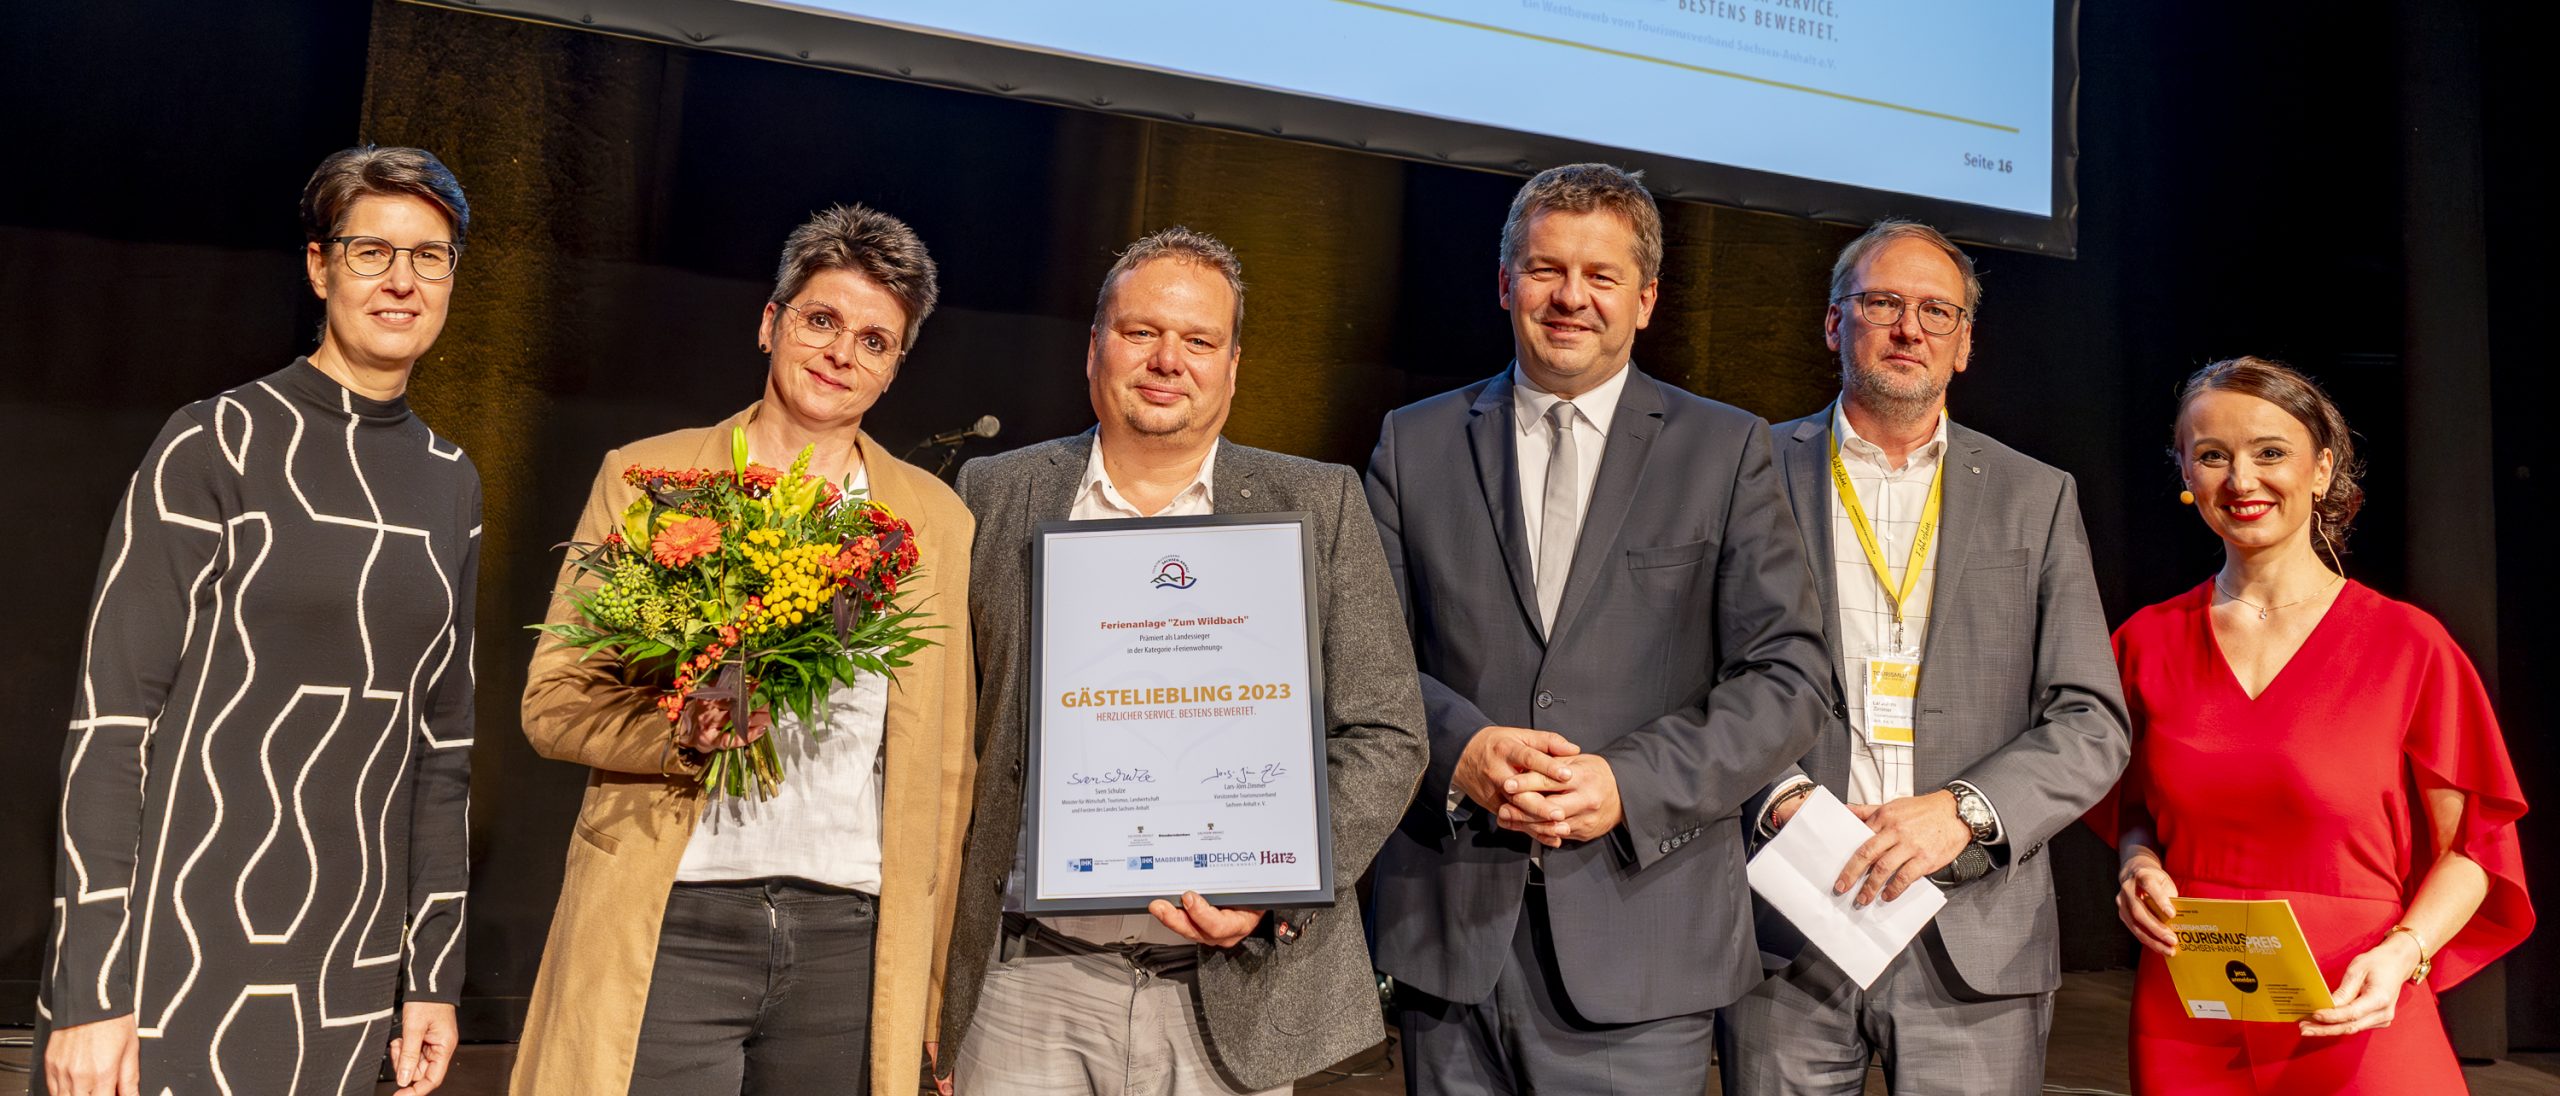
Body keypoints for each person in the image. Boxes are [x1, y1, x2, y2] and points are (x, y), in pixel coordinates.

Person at [1363, 162, 1831, 1094]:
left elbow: (1789, 678)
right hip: (1451, 945)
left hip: (1646, 942)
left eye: (1601, 276)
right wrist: (1461, 751)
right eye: (1546, 270)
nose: (1570, 297)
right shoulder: (1414, 442)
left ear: (1646, 299)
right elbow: (1362, 657)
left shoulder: (1725, 448)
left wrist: (1629, 782)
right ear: (1506, 283)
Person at [934, 227, 1427, 1095]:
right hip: (1025, 984)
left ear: (1232, 367)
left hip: (1232, 990)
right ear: (1095, 346)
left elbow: (1388, 732)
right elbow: (945, 728)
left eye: (1199, 340)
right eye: (1142, 332)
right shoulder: (995, 492)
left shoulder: (1317, 503)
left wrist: (1274, 885)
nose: (1168, 361)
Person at [38, 146, 478, 1096]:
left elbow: (441, 756)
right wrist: (91, 989)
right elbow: (113, 725)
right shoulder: (216, 442)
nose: (401, 281)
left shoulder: (453, 483)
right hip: (172, 963)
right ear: (320, 266)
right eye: (371, 251)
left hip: (347, 978)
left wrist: (431, 979)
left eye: (429, 256)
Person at [511, 204, 977, 1095]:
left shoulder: (934, 522)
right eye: (821, 320)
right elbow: (555, 704)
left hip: (850, 937)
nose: (841, 354)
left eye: (874, 341)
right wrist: (680, 733)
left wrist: (932, 994)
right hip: (673, 915)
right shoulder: (649, 482)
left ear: (894, 368)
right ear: (771, 323)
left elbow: (948, 773)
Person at [1720, 219, 2129, 1095]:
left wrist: (1965, 811)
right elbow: (1695, 675)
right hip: (1791, 922)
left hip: (1973, 930)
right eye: (1883, 303)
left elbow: (2091, 720)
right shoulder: (1746, 471)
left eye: (1937, 311)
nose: (1910, 328)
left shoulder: (2036, 495)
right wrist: (1778, 797)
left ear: (1964, 343)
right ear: (1835, 323)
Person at [2099, 356, 2532, 1093]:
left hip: (2358, 998)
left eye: (2270, 452)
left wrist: (2405, 954)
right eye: (2213, 456)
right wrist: (2136, 865)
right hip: (2191, 1008)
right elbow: (2135, 807)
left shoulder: (2408, 644)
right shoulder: (2144, 642)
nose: (2242, 480)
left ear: (2322, 470)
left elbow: (2470, 850)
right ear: (2186, 472)